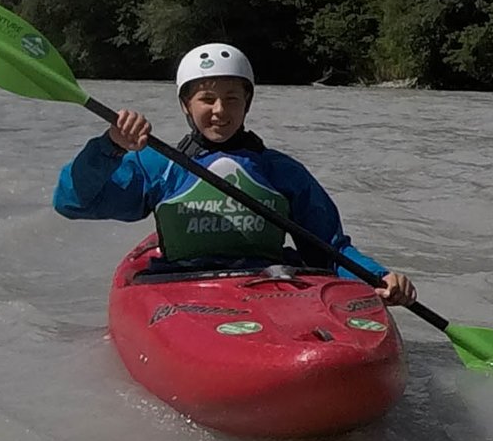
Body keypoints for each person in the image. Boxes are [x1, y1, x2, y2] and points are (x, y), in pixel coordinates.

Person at [52, 42, 414, 305]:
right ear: (185, 105)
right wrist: (111, 145)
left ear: (247, 103)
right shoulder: (158, 165)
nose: (220, 110)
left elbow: (330, 251)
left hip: (269, 286)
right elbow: (72, 202)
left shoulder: (281, 171)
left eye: (232, 98)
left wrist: (378, 277)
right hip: (185, 287)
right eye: (207, 99)